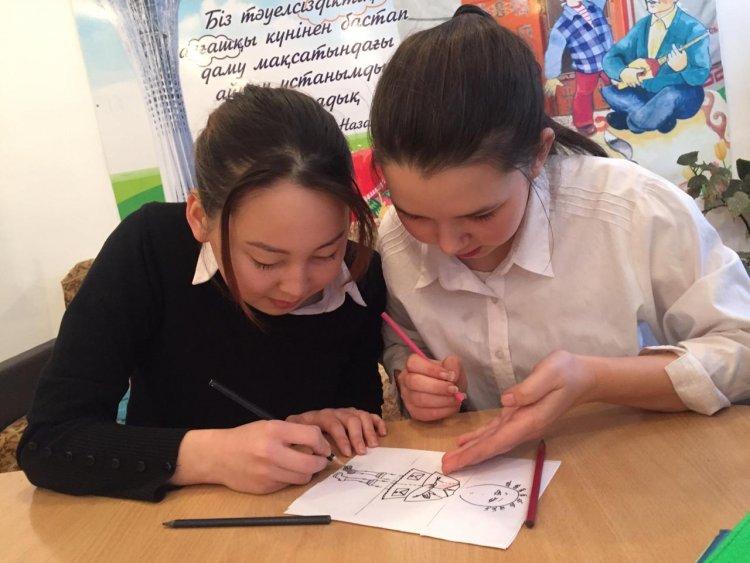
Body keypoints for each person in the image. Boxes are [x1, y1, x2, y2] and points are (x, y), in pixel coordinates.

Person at [371, 5, 750, 474]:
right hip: (489, 486)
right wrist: (414, 379)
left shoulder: (632, 210)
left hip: (650, 473)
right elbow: (402, 339)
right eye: (416, 215)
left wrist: (596, 379)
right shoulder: (393, 239)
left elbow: (741, 347)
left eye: (481, 214)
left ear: (538, 154)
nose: (447, 245)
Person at [18, 85, 387, 501]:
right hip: (161, 520)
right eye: (265, 261)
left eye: (325, 253)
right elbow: (48, 441)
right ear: (198, 218)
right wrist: (212, 456)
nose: (297, 286)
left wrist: (335, 423)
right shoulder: (152, 247)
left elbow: (362, 410)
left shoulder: (360, 276)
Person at [601, 0, 710, 134]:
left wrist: (684, 67)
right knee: (609, 92)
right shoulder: (642, 26)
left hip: (679, 93)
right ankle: (659, 118)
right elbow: (611, 57)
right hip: (646, 91)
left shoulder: (694, 29)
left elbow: (701, 74)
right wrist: (623, 72)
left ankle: (634, 122)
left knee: (669, 96)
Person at [544, 0, 614, 136]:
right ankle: (584, 123)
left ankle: (621, 111)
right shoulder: (563, 24)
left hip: (608, 59)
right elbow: (554, 49)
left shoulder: (594, 6)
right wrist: (552, 75)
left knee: (616, 85)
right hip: (586, 65)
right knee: (583, 93)